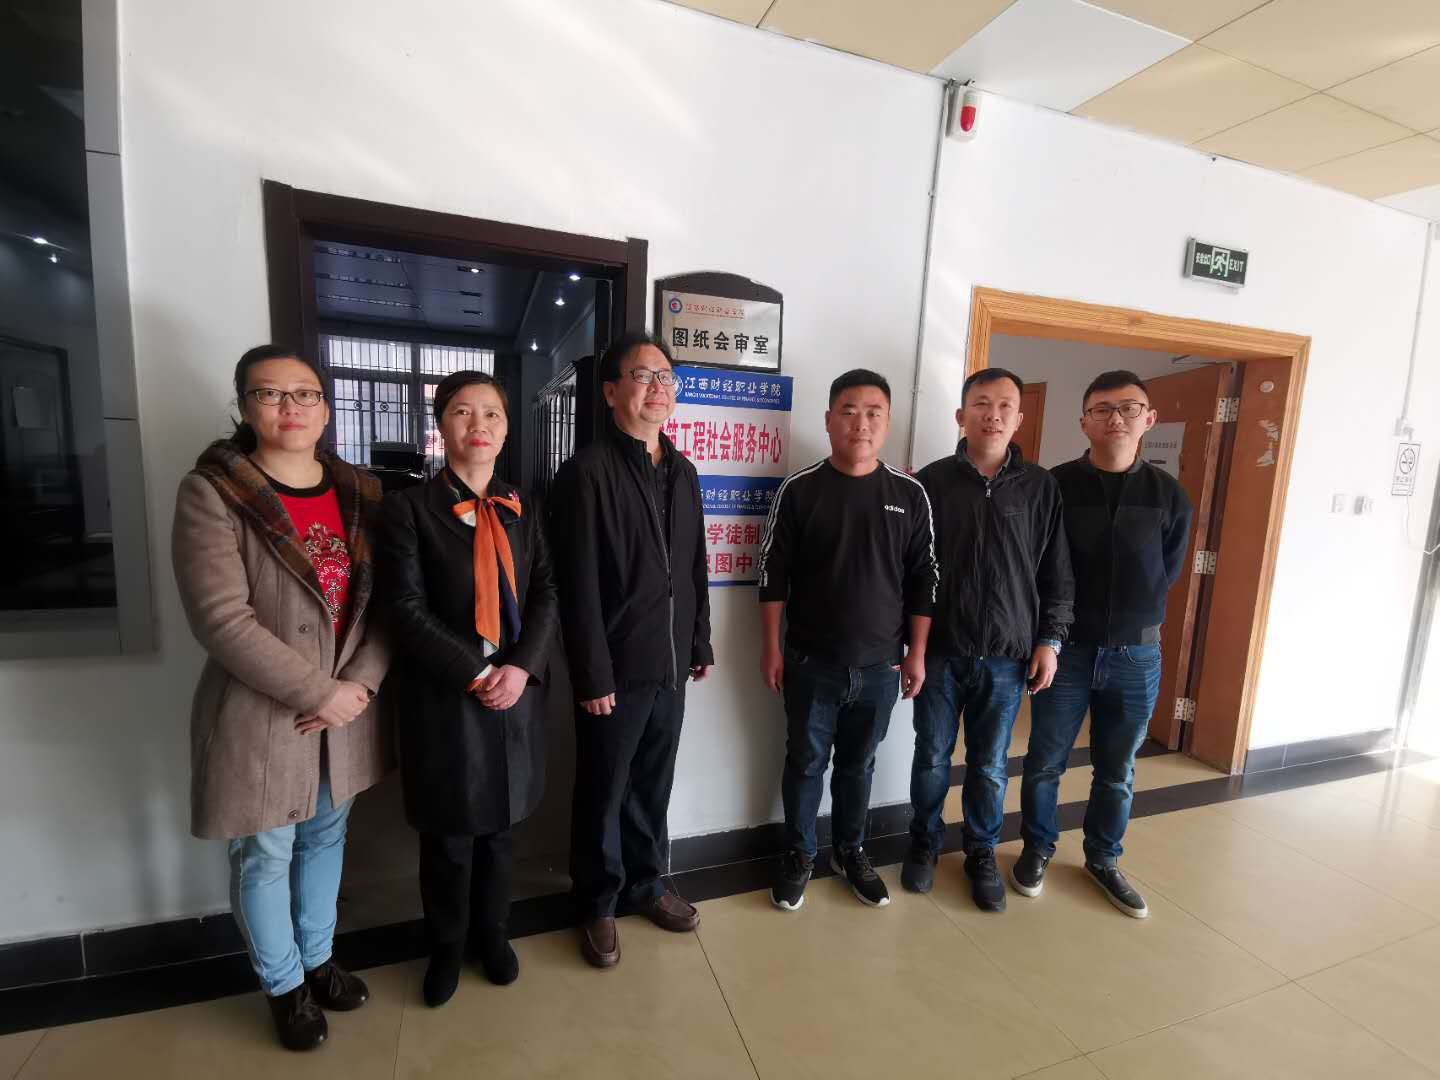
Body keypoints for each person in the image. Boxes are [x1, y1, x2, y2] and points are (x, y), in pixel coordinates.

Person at [172, 344, 390, 1052]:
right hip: (263, 712)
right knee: (265, 854)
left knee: (326, 836)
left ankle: (319, 960)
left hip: (348, 712)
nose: (289, 407)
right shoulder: (213, 492)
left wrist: (359, 685)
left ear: (325, 410)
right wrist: (319, 691)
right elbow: (220, 619)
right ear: (244, 408)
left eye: (304, 394)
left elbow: (386, 608)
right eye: (269, 394)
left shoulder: (363, 493)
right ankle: (284, 985)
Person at [379, 370, 558, 1007]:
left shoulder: (524, 506)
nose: (478, 424)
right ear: (440, 426)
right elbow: (403, 608)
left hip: (514, 692)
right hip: (447, 693)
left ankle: (494, 934)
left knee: (501, 828)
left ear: (506, 430)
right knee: (449, 835)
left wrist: (521, 668)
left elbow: (546, 592)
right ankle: (447, 945)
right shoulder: (408, 509)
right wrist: (476, 672)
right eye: (462, 411)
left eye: (491, 413)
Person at [549, 331, 713, 969]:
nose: (658, 388)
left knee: (652, 783)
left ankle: (647, 883)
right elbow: (576, 585)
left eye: (666, 377)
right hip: (614, 670)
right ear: (613, 390)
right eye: (643, 376)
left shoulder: (684, 471)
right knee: (603, 787)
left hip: (670, 664)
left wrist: (699, 640)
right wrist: (592, 674)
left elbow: (694, 568)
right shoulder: (585, 473)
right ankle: (597, 902)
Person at [760, 369, 937, 913]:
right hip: (810, 662)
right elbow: (772, 575)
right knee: (806, 762)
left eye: (873, 412)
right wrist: (771, 648)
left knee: (860, 765)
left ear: (888, 422)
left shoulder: (909, 494)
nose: (861, 423)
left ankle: (850, 852)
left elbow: (924, 580)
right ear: (829, 419)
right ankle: (799, 855)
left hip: (883, 667)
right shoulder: (800, 490)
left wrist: (917, 653)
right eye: (849, 411)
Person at [1018, 370, 1193, 919]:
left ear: (1149, 419)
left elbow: (1166, 571)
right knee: (1044, 761)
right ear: (1084, 421)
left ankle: (1103, 858)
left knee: (1117, 770)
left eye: (1128, 408)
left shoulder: (1169, 495)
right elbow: (1038, 563)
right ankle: (1037, 849)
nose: (1116, 418)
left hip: (1136, 655)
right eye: (1102, 409)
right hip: (1066, 650)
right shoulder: (1055, 485)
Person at [902, 368, 1073, 910]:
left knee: (991, 763)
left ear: (1019, 418)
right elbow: (913, 570)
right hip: (940, 650)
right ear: (961, 415)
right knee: (932, 756)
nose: (992, 415)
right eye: (981, 403)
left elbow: (1056, 573)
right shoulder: (931, 482)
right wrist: (911, 647)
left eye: (1004, 406)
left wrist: (1049, 640)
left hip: (1006, 655)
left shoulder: (1041, 487)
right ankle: (924, 844)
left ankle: (981, 851)